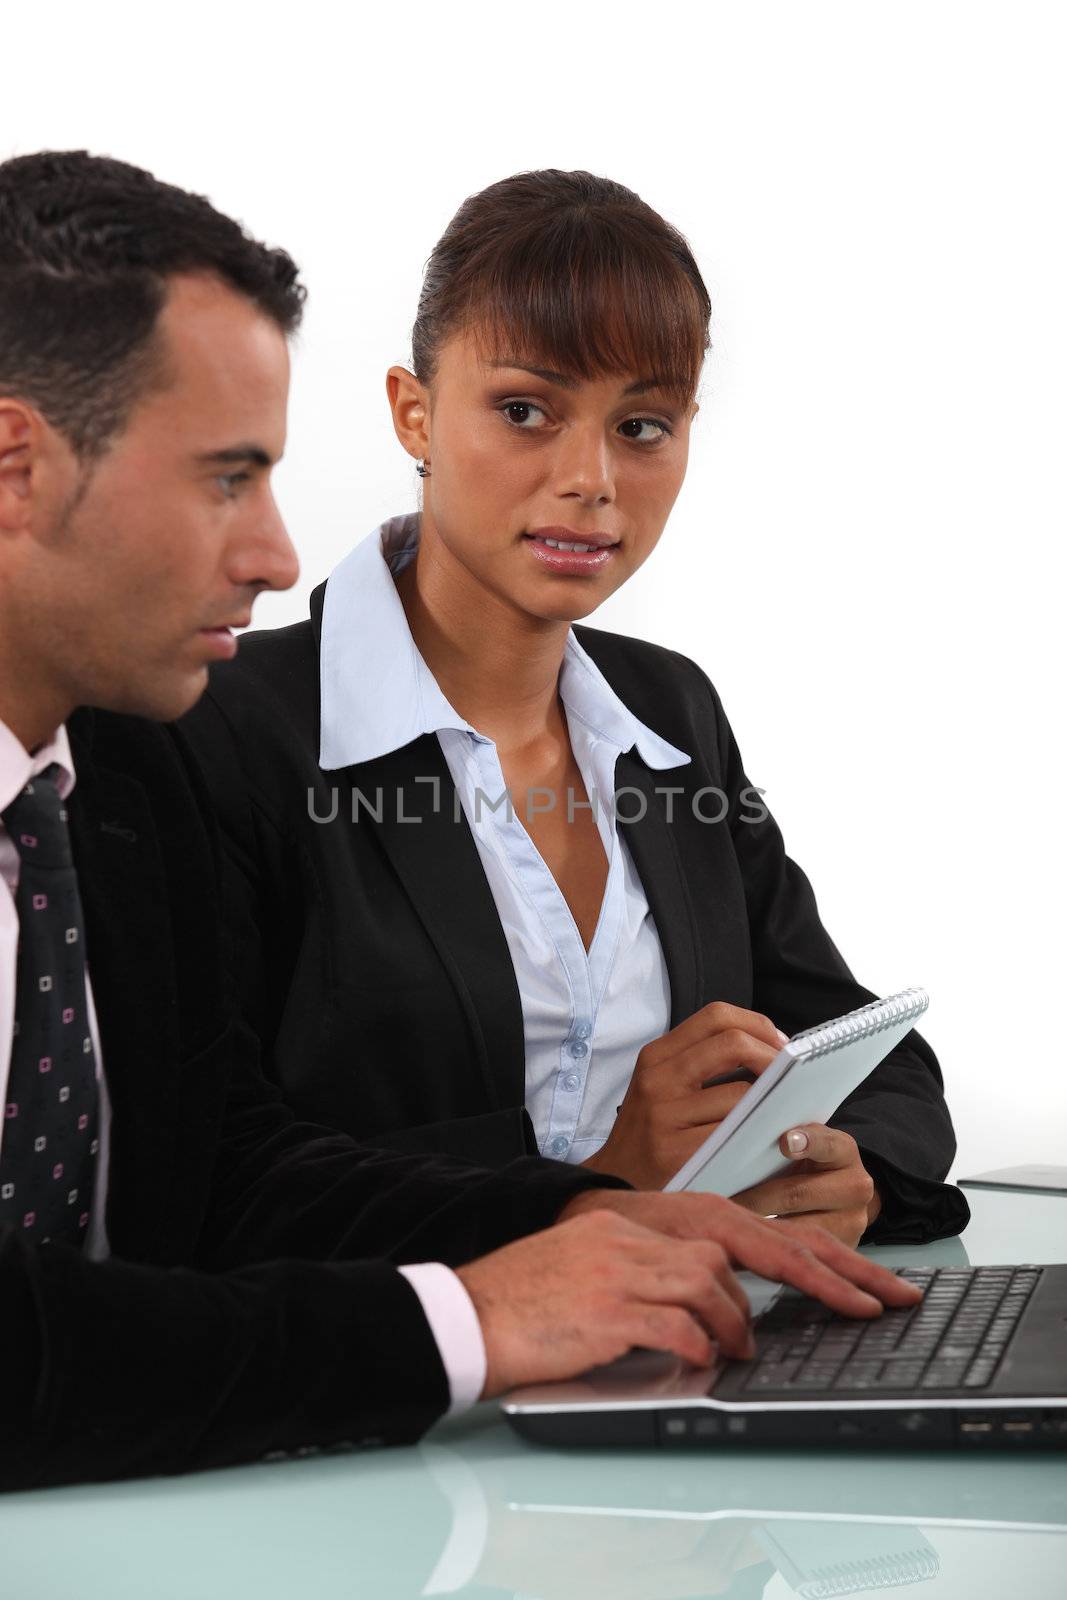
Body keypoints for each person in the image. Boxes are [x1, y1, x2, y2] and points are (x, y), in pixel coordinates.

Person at [0, 151, 918, 1494]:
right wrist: (473, 1314)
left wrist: (599, 1226)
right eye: (226, 478)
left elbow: (222, 1170)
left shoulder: (106, 777)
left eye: (644, 426)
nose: (273, 555)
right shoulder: (208, 737)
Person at [176, 169, 968, 1248]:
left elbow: (867, 1045)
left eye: (642, 425)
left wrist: (851, 1167)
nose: (590, 478)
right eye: (523, 411)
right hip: (404, 1374)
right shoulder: (218, 727)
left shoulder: (667, 712)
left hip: (686, 1343)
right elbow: (206, 1174)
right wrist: (589, 1172)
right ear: (413, 413)